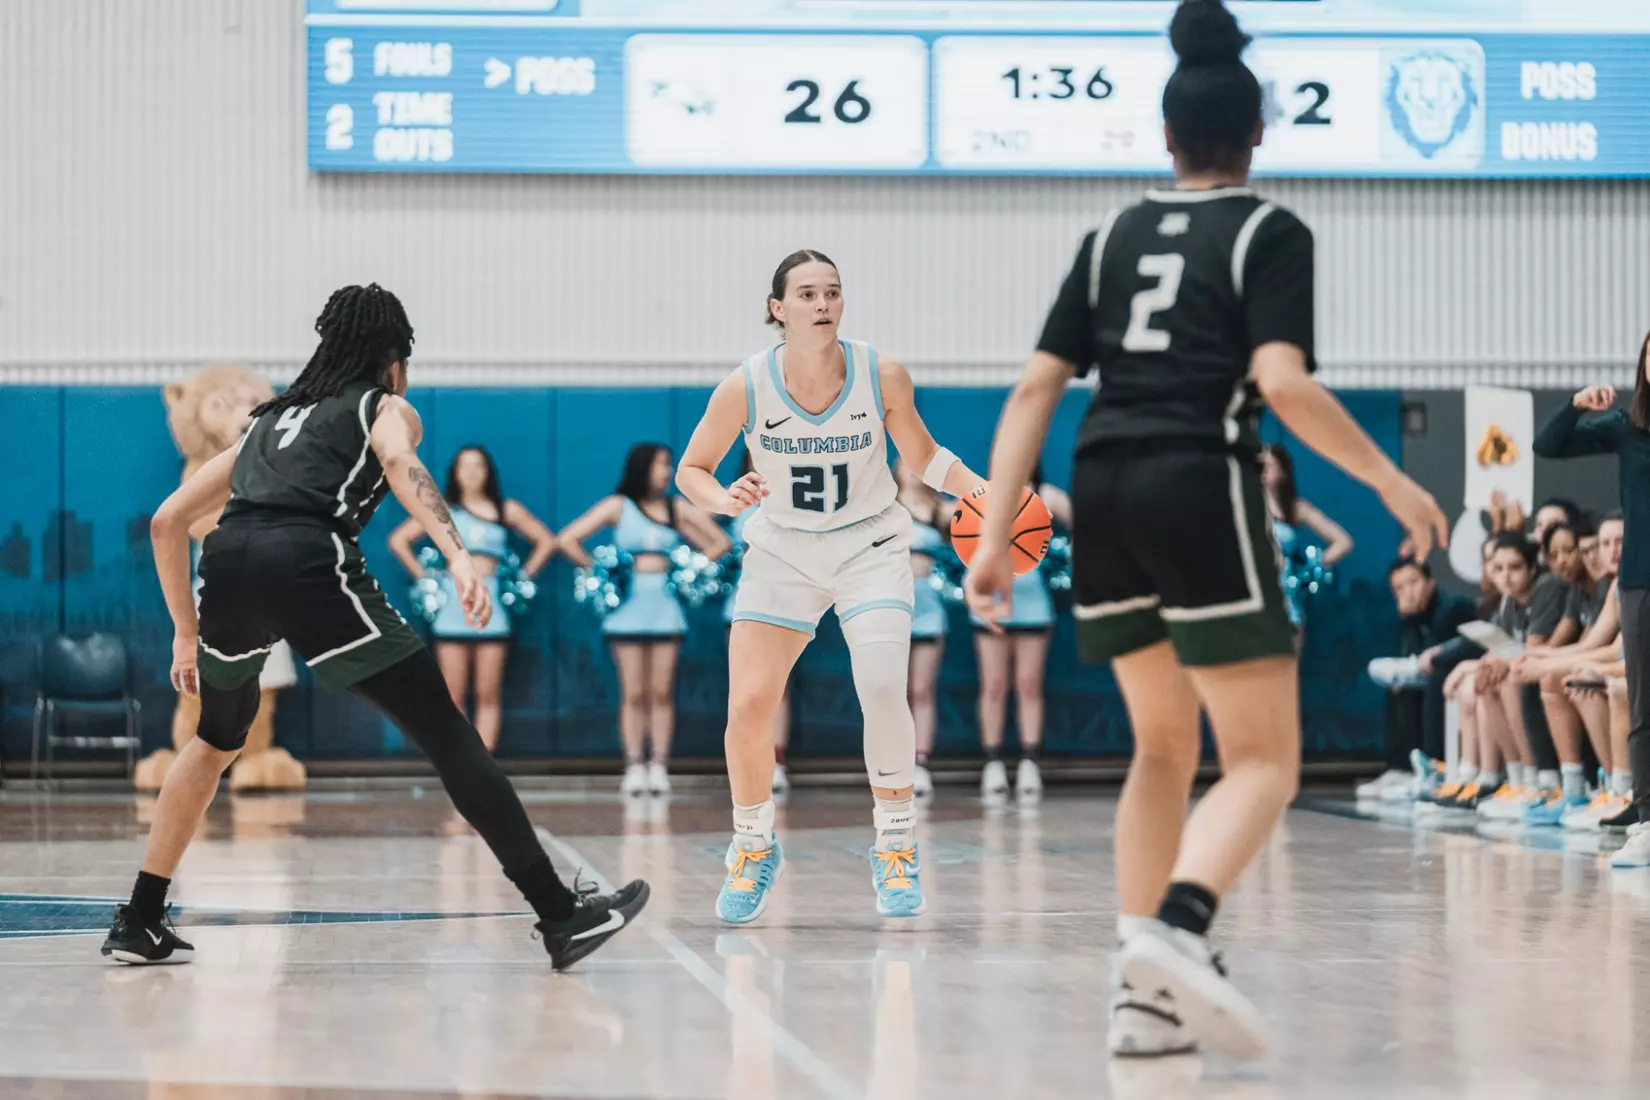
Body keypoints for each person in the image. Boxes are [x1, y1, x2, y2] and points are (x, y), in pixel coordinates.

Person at [964, 0, 1446, 1060]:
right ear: (1257, 135)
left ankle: (1142, 997)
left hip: (1103, 485)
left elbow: (1033, 390)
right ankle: (1179, 928)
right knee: (1267, 757)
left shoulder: (1108, 239)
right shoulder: (1269, 230)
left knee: (1162, 746)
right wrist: (1391, 484)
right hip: (1197, 480)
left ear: (1166, 137)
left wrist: (995, 535)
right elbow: (1282, 381)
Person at [101, 285, 646, 970]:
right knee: (447, 733)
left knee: (214, 740)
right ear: (393, 356)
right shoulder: (383, 406)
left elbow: (167, 521)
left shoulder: (265, 422)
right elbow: (401, 463)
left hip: (230, 564)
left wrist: (185, 632)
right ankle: (560, 915)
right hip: (309, 560)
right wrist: (457, 558)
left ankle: (140, 917)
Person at [675, 248, 983, 923]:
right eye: (807, 294)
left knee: (879, 684)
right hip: (782, 551)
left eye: (832, 292)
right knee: (750, 706)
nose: (822, 304)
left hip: (870, 546)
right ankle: (754, 845)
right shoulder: (747, 384)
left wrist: (981, 490)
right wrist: (724, 498)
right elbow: (689, 470)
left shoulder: (881, 373)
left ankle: (896, 846)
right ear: (778, 309)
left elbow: (924, 457)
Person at [560, 443, 730, 797]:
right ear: (641, 468)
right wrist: (601, 573)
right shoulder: (618, 506)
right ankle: (634, 765)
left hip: (665, 607)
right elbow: (568, 540)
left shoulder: (675, 508)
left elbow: (720, 542)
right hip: (628, 608)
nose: (666, 472)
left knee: (661, 692)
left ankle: (659, 766)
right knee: (634, 691)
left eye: (669, 465)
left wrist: (689, 569)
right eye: (659, 465)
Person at [1533, 349, 1650, 864]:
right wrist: (1577, 404)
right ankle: (1646, 816)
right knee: (1645, 705)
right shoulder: (1626, 427)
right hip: (1642, 581)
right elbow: (1548, 445)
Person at [387, 445, 556, 753]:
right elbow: (399, 540)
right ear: (454, 473)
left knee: (488, 692)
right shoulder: (442, 509)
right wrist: (426, 577)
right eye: (465, 466)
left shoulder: (507, 509)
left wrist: (520, 579)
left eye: (479, 466)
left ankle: (485, 758)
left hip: (493, 606)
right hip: (453, 604)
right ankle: (463, 760)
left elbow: (546, 541)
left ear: (488, 472)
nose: (472, 473)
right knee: (453, 694)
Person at [970, 463, 1071, 801]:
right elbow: (961, 536)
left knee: (1029, 683)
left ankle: (1030, 761)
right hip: (992, 602)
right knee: (994, 685)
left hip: (1033, 602)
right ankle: (993, 762)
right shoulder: (984, 498)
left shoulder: (1048, 496)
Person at [1358, 559, 1476, 801]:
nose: (1408, 592)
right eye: (1399, 589)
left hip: (1454, 675)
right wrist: (1409, 619)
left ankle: (1435, 766)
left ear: (1430, 581)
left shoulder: (1454, 607)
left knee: (1431, 683)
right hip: (1433, 676)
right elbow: (1411, 655)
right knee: (1398, 687)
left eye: (1413, 582)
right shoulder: (1411, 615)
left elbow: (1436, 656)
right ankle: (1401, 767)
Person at [727, 448, 793, 797]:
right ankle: (745, 767)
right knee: (744, 693)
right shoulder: (737, 497)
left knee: (777, 690)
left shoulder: (793, 497)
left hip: (784, 603)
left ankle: (776, 762)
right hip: (742, 604)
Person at [895, 457, 951, 799]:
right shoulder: (883, 506)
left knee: (922, 689)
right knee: (891, 692)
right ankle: (892, 764)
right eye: (906, 464)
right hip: (893, 608)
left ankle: (921, 762)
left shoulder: (941, 511)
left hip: (929, 609)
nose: (912, 470)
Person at [1260, 443, 1353, 636]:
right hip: (1257, 592)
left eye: (1269, 465)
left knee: (1289, 659)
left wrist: (1308, 568)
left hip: (1286, 596)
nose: (1263, 471)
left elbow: (1343, 541)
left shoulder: (1295, 508)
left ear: (1283, 471)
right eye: (1259, 465)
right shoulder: (1247, 507)